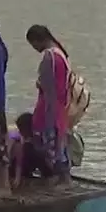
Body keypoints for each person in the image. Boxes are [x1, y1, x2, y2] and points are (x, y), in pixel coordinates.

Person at [25, 24, 73, 185]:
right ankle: (62, 178)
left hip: (50, 106)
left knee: (51, 143)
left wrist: (40, 85)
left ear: (38, 40)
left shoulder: (49, 56)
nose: (34, 48)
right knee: (60, 143)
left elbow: (48, 86)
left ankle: (61, 179)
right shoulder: (61, 54)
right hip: (60, 105)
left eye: (33, 44)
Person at [8, 112, 53, 190]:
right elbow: (19, 161)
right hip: (19, 171)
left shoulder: (22, 140)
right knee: (37, 153)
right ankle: (49, 176)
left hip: (17, 170)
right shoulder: (23, 144)